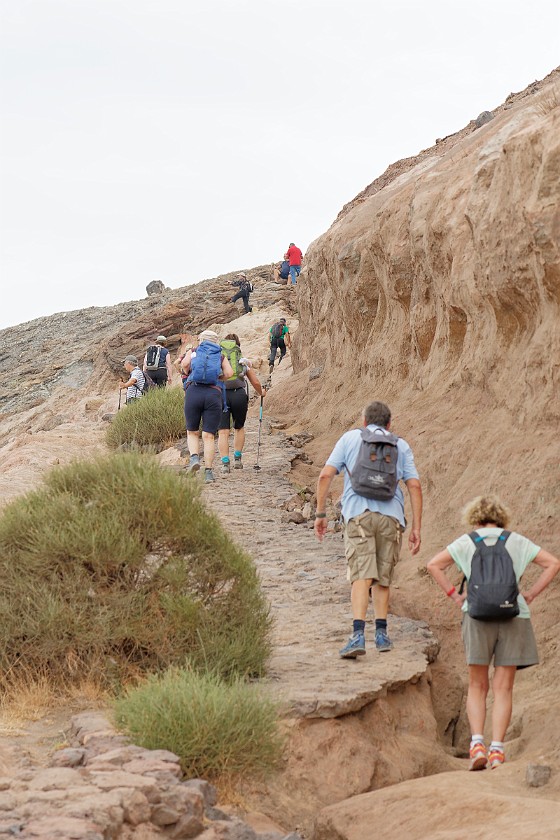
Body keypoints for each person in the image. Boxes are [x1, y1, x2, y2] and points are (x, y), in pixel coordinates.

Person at [427, 495, 560, 771]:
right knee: (503, 687)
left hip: (476, 616)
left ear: (474, 518)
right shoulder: (516, 540)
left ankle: (477, 745)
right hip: (514, 615)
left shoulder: (467, 541)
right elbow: (553, 563)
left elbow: (433, 565)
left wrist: (455, 596)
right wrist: (531, 594)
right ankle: (497, 750)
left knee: (477, 685)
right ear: (502, 518)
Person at [314, 401, 422, 658]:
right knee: (382, 577)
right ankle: (382, 635)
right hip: (391, 518)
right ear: (389, 424)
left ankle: (358, 635)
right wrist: (416, 526)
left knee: (361, 575)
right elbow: (414, 486)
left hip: (358, 516)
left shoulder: (351, 438)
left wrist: (320, 514)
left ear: (364, 422)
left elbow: (325, 476)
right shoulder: (400, 445)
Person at [180, 329, 233, 483]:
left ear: (201, 340)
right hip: (213, 394)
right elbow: (229, 374)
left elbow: (184, 364)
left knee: (192, 432)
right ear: (216, 341)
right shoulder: (220, 355)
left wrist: (189, 372)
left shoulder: (195, 350)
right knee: (209, 436)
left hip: (194, 392)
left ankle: (194, 458)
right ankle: (208, 472)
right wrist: (218, 377)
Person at [218, 333, 266, 474]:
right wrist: (261, 392)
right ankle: (237, 459)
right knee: (239, 427)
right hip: (239, 394)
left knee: (223, 431)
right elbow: (255, 382)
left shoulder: (218, 359)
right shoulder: (241, 361)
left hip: (221, 396)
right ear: (238, 345)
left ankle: (225, 463)